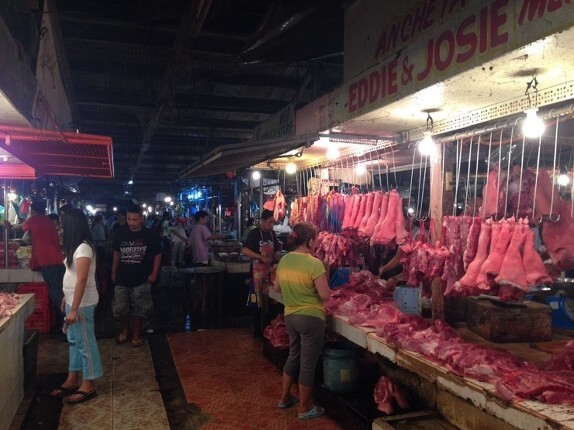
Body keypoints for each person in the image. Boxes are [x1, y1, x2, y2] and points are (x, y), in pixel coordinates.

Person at [273, 222, 330, 420]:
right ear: (311, 241)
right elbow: (325, 295)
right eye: (316, 240)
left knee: (293, 356)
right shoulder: (314, 263)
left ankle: (284, 398)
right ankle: (304, 409)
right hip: (311, 318)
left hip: (290, 316)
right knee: (307, 364)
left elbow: (277, 288)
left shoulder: (284, 260)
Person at [49, 209, 103, 404]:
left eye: (63, 226)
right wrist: (67, 297)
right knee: (74, 341)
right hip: (73, 301)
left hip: (82, 304)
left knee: (85, 343)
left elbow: (82, 280)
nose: (60, 230)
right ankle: (72, 378)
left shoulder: (84, 248)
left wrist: (74, 309)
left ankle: (88, 384)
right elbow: (72, 277)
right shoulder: (76, 247)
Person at [6, 200, 66, 332]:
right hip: (57, 261)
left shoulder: (35, 219)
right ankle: (62, 324)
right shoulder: (47, 220)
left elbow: (20, 228)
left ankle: (66, 325)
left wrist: (8, 226)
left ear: (32, 211)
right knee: (59, 293)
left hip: (49, 263)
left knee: (57, 295)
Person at [111, 204, 161, 347]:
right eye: (129, 219)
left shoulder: (149, 234)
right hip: (122, 277)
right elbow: (116, 253)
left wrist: (154, 273)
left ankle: (136, 334)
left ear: (142, 219)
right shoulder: (120, 233)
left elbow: (158, 254)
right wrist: (113, 272)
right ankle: (125, 330)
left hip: (142, 277)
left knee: (140, 308)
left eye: (134, 219)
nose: (131, 223)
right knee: (121, 308)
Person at [241, 209, 282, 337]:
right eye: (270, 222)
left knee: (270, 301)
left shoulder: (272, 234)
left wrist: (277, 255)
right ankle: (257, 331)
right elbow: (244, 250)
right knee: (257, 302)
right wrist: (260, 257)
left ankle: (268, 329)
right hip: (257, 273)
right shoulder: (254, 233)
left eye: (273, 222)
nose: (272, 225)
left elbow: (276, 250)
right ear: (263, 221)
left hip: (270, 272)